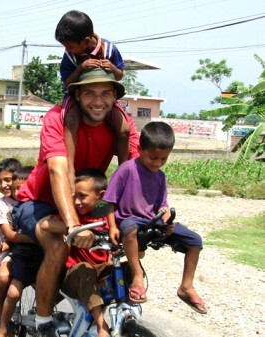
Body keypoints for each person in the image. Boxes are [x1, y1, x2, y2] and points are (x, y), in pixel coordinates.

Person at [11, 68, 139, 337]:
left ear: (115, 96)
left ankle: (93, 308)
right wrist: (72, 225)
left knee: (126, 235)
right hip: (38, 202)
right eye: (90, 93)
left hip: (88, 200)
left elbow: (137, 172)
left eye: (106, 93)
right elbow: (58, 170)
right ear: (78, 95)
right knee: (58, 245)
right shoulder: (58, 118)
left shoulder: (121, 124)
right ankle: (44, 321)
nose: (98, 101)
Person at [103, 121, 208, 314]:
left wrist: (167, 221)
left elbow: (162, 205)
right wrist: (112, 227)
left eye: (163, 159)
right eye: (153, 157)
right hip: (129, 220)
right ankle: (136, 275)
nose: (158, 163)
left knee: (195, 240)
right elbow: (109, 201)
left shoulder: (160, 176)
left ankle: (186, 286)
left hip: (153, 221)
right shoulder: (126, 169)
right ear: (139, 148)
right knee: (130, 228)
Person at [55, 10, 131, 189]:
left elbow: (120, 75)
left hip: (103, 98)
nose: (67, 50)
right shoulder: (70, 57)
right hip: (77, 96)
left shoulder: (110, 49)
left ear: (88, 41)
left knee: (124, 129)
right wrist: (81, 68)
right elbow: (67, 83)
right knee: (71, 120)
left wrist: (112, 67)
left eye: (70, 46)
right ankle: (70, 169)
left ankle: (124, 173)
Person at [39, 168, 112, 337]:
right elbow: (45, 224)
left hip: (100, 270)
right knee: (85, 269)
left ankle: (126, 318)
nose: (77, 202)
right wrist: (74, 230)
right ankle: (102, 326)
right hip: (73, 275)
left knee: (126, 269)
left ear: (100, 196)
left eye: (83, 196)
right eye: (74, 196)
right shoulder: (73, 217)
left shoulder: (107, 215)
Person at [0, 158, 33, 329]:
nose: (4, 185)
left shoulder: (32, 199)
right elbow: (10, 236)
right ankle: (0, 312)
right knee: (3, 277)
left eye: (8, 180)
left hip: (34, 248)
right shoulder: (1, 204)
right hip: (11, 247)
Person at [0, 165, 42, 337]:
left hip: (43, 255)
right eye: (15, 189)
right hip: (22, 254)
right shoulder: (11, 212)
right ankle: (2, 327)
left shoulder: (43, 206)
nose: (16, 192)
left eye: (21, 188)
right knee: (11, 289)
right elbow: (11, 238)